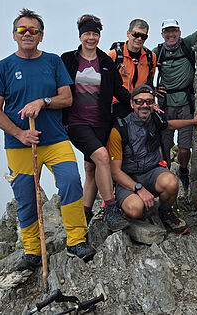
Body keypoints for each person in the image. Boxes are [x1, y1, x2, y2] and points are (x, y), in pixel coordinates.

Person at [0, 8, 94, 272]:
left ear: (41, 36)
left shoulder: (53, 62)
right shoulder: (3, 68)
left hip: (55, 139)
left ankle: (77, 240)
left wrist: (43, 102)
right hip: (19, 144)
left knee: (70, 181)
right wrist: (20, 133)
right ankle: (33, 251)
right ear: (14, 35)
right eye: (22, 30)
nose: (27, 34)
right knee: (25, 197)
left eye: (33, 30)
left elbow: (67, 98)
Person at [60, 14, 131, 232]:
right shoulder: (68, 60)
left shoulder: (106, 61)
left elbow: (118, 91)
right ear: (80, 36)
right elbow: (56, 86)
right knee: (102, 157)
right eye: (87, 34)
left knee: (91, 169)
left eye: (95, 34)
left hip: (101, 122)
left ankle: (84, 216)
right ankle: (110, 209)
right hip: (76, 122)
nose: (91, 38)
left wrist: (138, 102)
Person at [107, 84, 197, 234]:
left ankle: (165, 212)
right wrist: (139, 189)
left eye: (149, 101)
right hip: (128, 178)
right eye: (139, 101)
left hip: (151, 171)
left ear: (154, 103)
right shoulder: (119, 130)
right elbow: (115, 172)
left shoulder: (155, 119)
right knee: (135, 209)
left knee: (171, 182)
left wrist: (194, 122)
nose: (144, 105)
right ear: (131, 104)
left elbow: (171, 125)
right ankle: (126, 206)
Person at [154, 18, 197, 191]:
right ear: (162, 34)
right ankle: (167, 176)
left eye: (174, 30)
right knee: (165, 147)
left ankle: (182, 170)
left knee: (184, 149)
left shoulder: (186, 44)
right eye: (167, 31)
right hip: (165, 104)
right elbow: (144, 68)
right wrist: (152, 90)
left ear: (179, 32)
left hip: (186, 103)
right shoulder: (157, 52)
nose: (171, 34)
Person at [108, 19, 157, 119]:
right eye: (136, 34)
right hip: (117, 106)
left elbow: (150, 82)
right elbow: (108, 85)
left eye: (143, 36)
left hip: (141, 107)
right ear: (128, 33)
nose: (139, 38)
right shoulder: (114, 55)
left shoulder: (150, 57)